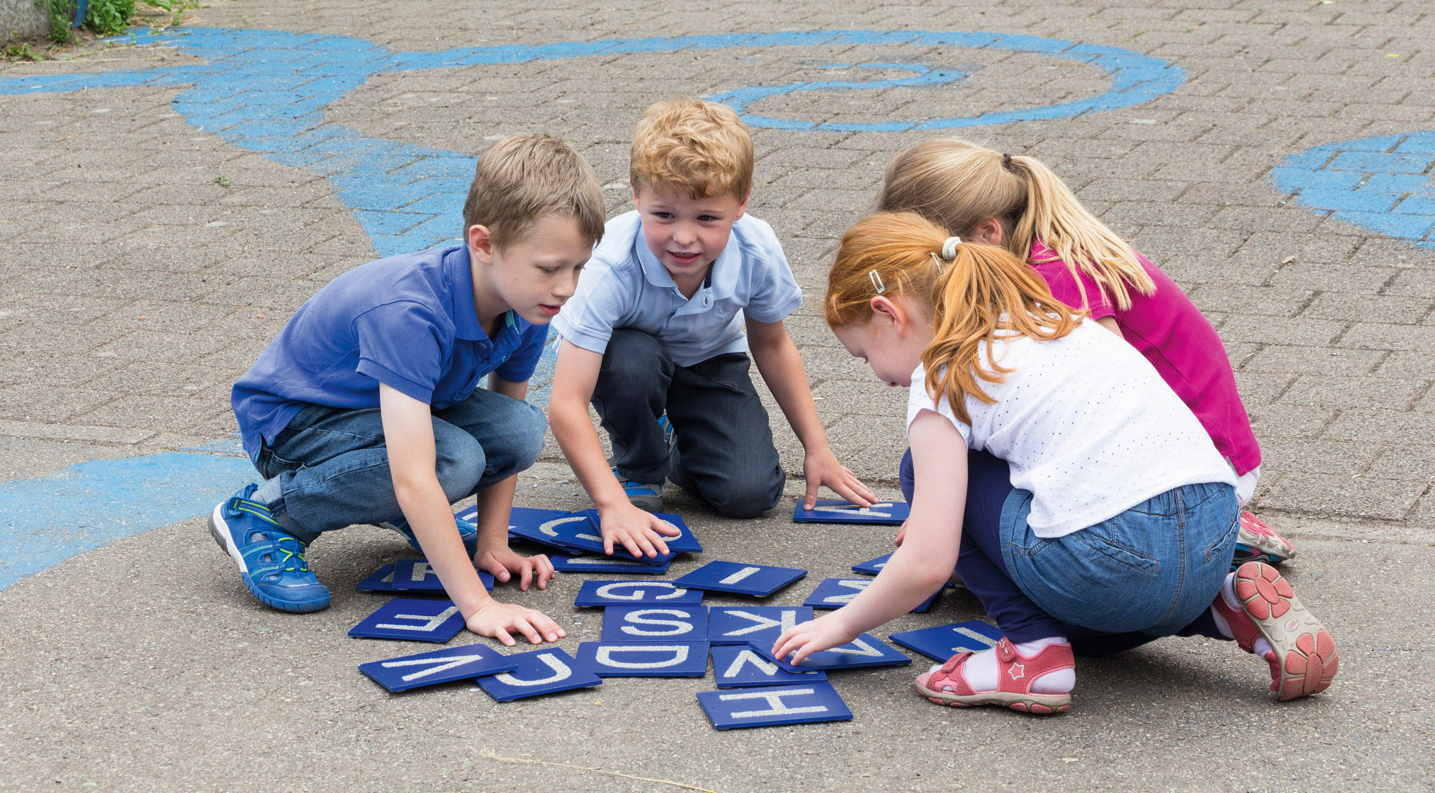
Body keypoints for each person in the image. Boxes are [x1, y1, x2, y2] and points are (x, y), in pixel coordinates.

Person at [772, 212, 1337, 713]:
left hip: (1117, 562)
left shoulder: (942, 376)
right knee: (1083, 621)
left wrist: (840, 623)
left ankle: (1033, 655)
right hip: (1216, 534)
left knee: (921, 471)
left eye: (864, 354)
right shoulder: (1053, 318)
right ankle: (1224, 605)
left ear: (889, 314)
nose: (878, 375)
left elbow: (927, 565)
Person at [210, 134, 605, 647]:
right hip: (294, 427)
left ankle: (407, 516)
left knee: (520, 431)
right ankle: (266, 512)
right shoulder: (410, 313)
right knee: (452, 460)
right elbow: (416, 476)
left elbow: (506, 423)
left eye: (579, 267)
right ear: (483, 244)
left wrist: (491, 543)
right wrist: (478, 605)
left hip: (381, 419)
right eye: (551, 268)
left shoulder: (528, 303)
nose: (567, 288)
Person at [878, 136, 1295, 565]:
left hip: (1200, 469)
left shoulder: (1054, 278)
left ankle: (1214, 535)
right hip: (1191, 461)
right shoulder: (1032, 254)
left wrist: (947, 519)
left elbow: (1110, 401)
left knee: (957, 515)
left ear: (987, 233)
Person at [548, 97, 875, 559]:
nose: (684, 237)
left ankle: (680, 446)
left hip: (711, 363)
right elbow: (565, 404)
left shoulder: (757, 249)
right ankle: (640, 465)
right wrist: (611, 504)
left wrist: (818, 448)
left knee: (750, 496)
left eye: (706, 218)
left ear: (740, 205)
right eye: (664, 215)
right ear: (636, 198)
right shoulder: (607, 266)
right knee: (632, 360)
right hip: (630, 365)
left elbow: (773, 344)